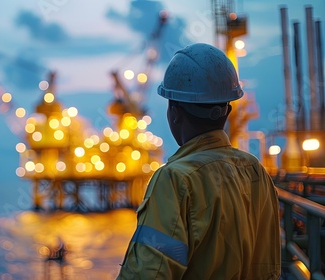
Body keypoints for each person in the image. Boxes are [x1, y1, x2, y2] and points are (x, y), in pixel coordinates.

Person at [116, 43, 281, 279]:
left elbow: (149, 274)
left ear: (174, 112)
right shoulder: (256, 171)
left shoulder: (175, 179)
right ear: (227, 111)